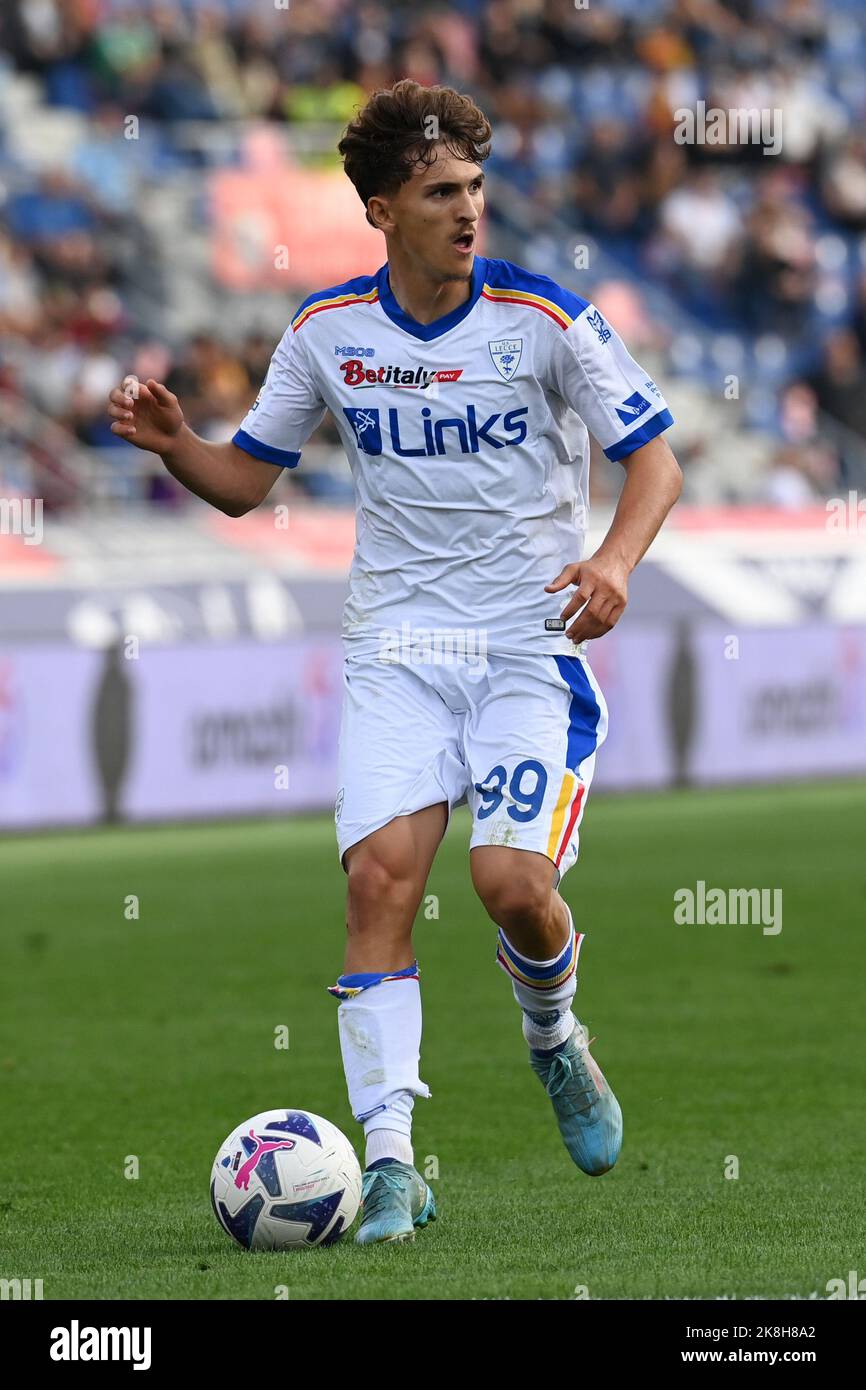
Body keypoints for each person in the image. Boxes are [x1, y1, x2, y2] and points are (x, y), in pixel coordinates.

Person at [106, 79, 682, 1245]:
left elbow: (654, 459)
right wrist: (177, 446)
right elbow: (245, 484)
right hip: (394, 649)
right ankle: (389, 1167)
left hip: (528, 646)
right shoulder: (327, 333)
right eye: (438, 194)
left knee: (510, 887)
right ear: (381, 210)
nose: (467, 212)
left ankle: (554, 1041)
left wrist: (613, 560)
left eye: (474, 188)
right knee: (378, 885)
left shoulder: (546, 319)